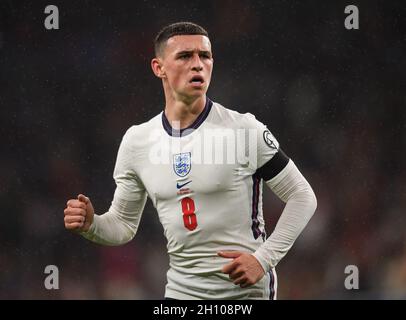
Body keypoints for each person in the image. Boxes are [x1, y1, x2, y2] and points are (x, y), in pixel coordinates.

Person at [63, 22, 317, 300]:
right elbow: (123, 224)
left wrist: (263, 260)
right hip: (180, 295)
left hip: (244, 296)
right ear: (158, 67)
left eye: (204, 56)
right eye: (185, 56)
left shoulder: (244, 130)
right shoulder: (138, 141)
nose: (197, 64)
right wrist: (92, 226)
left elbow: (302, 196)